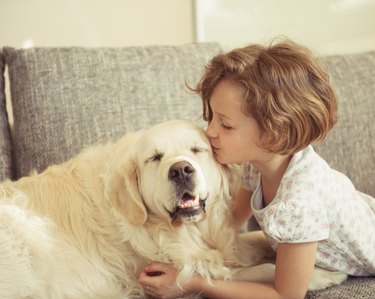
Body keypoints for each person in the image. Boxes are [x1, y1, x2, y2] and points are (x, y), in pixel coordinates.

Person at [138, 38, 375, 299]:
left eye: (225, 126)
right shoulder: (256, 167)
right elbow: (231, 222)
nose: (209, 132)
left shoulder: (299, 204)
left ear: (273, 134)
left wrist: (193, 282)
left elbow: (285, 295)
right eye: (211, 119)